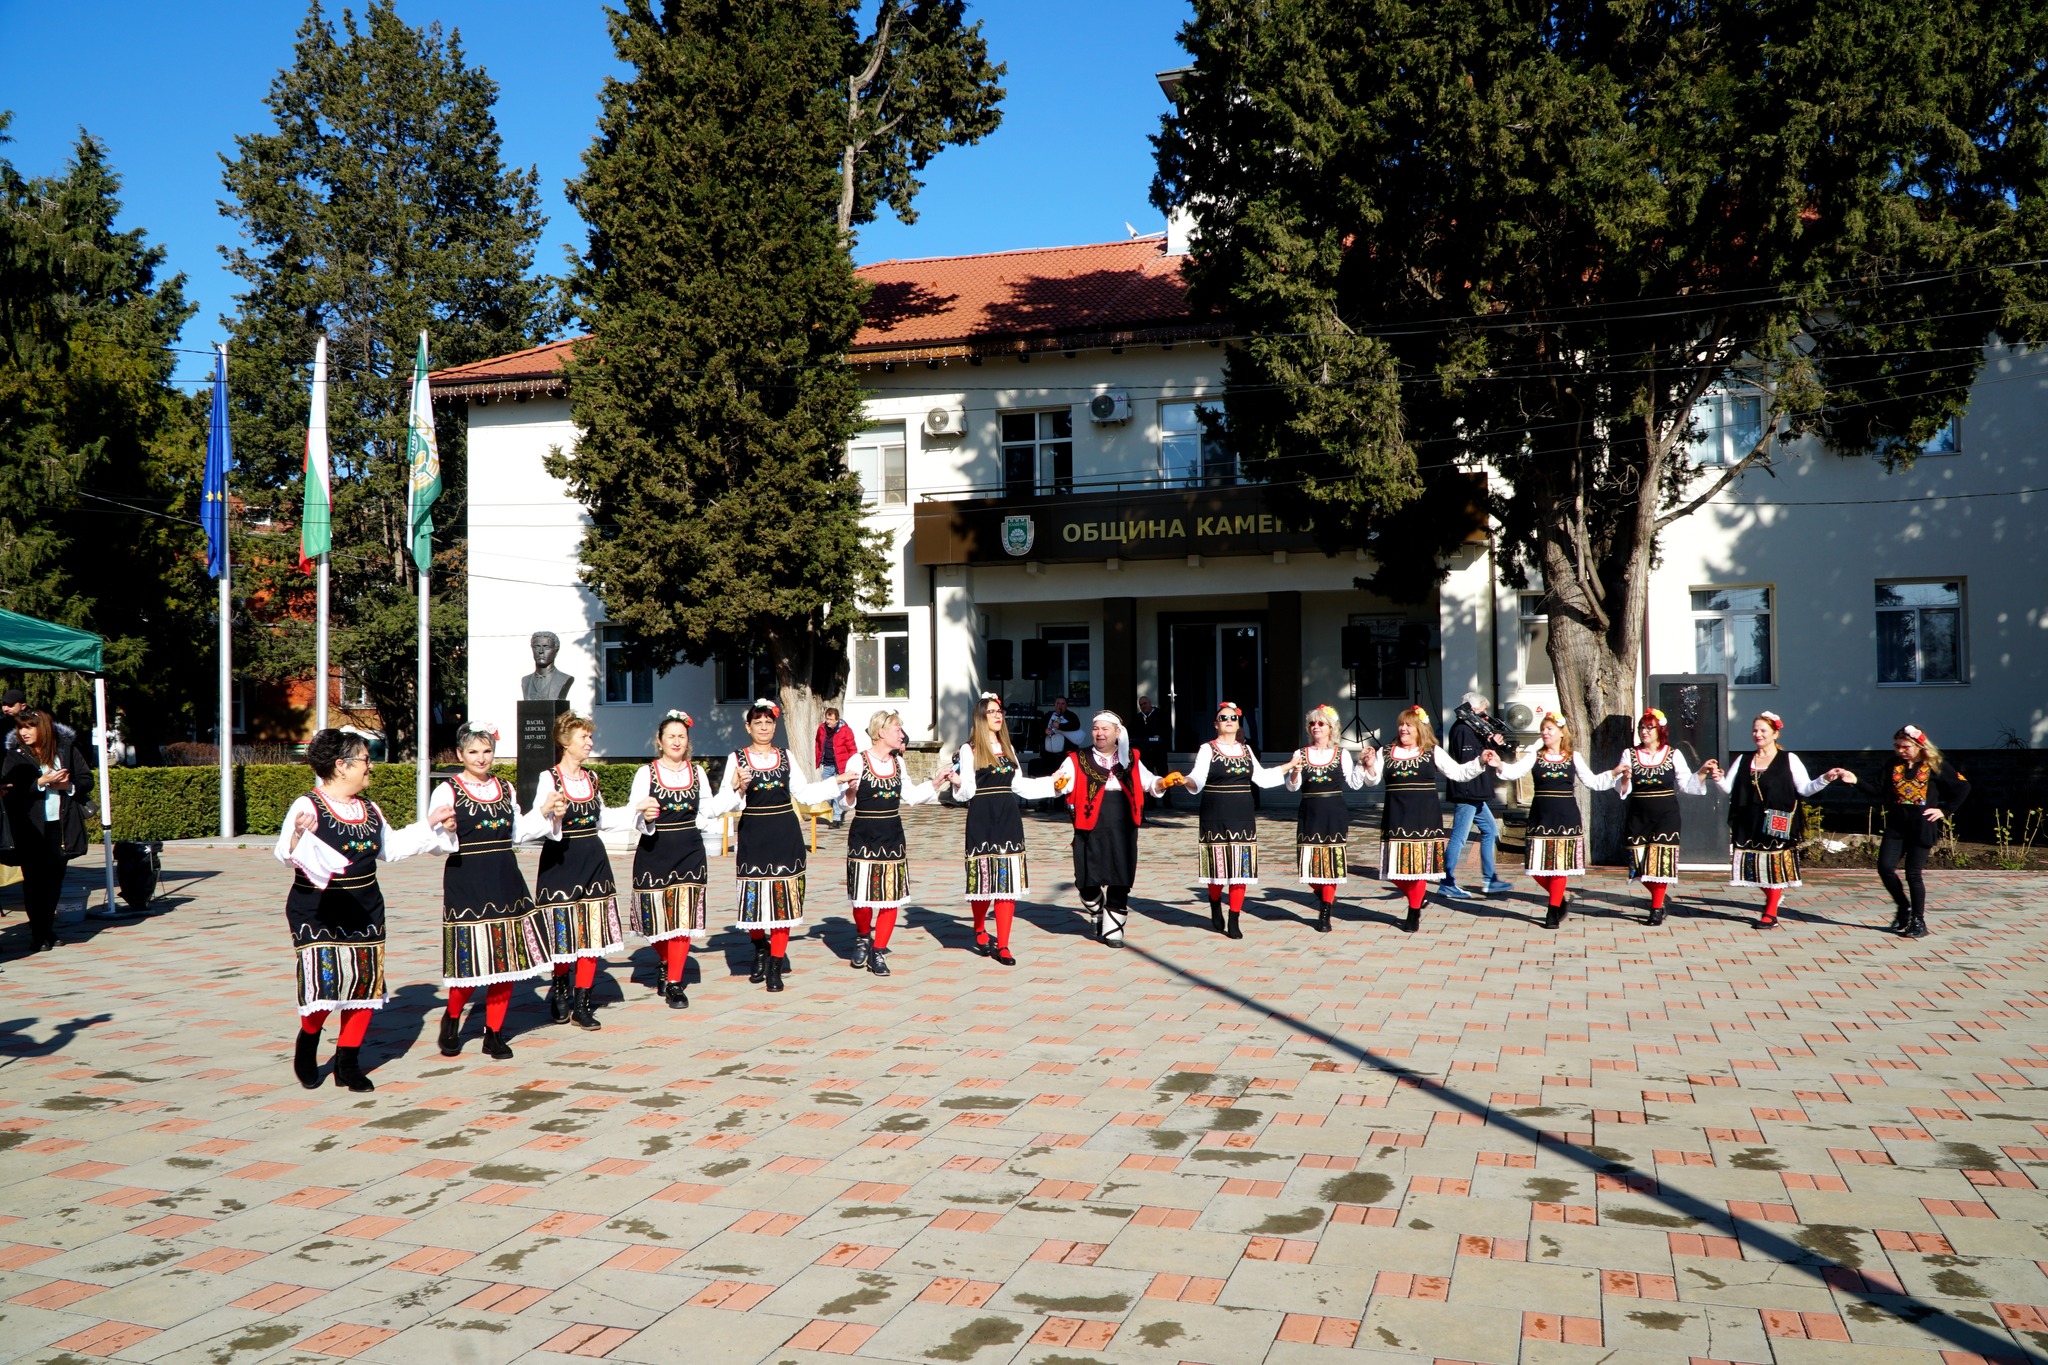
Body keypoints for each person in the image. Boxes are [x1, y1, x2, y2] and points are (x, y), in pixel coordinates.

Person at [273, 728, 448, 1091]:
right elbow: (284, 855)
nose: (371, 766)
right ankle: (308, 1039)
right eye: (366, 759)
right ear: (341, 765)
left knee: (364, 986)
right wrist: (297, 838)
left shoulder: (369, 809)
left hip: (365, 907)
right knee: (325, 986)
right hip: (318, 908)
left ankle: (348, 1062)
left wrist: (430, 825)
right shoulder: (308, 805)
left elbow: (393, 848)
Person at [424, 723, 558, 1059]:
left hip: (504, 876)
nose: (481, 758)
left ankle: (494, 1032)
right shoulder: (448, 790)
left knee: (507, 959)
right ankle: (453, 1016)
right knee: (469, 960)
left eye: (486, 751)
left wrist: (542, 813)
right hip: (467, 877)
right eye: (473, 752)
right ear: (459, 754)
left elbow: (516, 832)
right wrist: (447, 830)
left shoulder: (505, 787)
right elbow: (436, 844)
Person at [719, 700, 842, 992]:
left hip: (785, 832)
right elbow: (727, 800)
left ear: (775, 726)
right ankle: (760, 945)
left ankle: (775, 967)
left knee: (783, 902)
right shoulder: (736, 758)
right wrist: (739, 788)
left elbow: (804, 793)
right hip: (753, 834)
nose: (764, 727)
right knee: (752, 900)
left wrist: (836, 782)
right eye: (758, 723)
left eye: (769, 722)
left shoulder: (785, 756)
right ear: (748, 726)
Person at [529, 712, 639, 1029]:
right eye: (583, 737)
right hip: (561, 858)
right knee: (563, 932)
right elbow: (538, 820)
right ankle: (560, 988)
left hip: (593, 857)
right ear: (566, 742)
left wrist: (636, 810)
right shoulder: (549, 778)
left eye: (590, 737)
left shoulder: (591, 778)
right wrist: (551, 813)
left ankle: (583, 1003)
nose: (589, 742)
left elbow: (602, 818)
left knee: (592, 933)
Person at [1701, 712, 1854, 929]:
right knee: (1753, 868)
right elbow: (1728, 789)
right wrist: (1717, 778)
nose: (1758, 734)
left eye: (1763, 730)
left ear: (1775, 733)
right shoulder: (1744, 759)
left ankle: (1770, 912)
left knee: (1774, 868)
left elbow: (1805, 789)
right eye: (1755, 730)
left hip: (1778, 820)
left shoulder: (1788, 759)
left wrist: (1825, 779)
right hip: (1749, 819)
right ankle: (1774, 898)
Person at [1047, 711, 1183, 946]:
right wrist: (1059, 785)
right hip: (1089, 821)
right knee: (1086, 882)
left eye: (1105, 729)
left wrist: (1163, 782)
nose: (1099, 733)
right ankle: (1097, 910)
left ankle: (1114, 931)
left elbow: (1149, 782)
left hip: (1123, 821)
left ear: (1118, 733)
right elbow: (1061, 780)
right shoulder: (1076, 758)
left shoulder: (1130, 758)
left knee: (1120, 875)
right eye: (1096, 728)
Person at [626, 711, 732, 1008]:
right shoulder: (645, 773)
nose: (676, 741)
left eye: (681, 737)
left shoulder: (697, 773)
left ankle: (674, 981)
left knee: (682, 920)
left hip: (689, 851)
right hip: (654, 850)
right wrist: (644, 817)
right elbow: (634, 815)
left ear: (688, 742)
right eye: (671, 736)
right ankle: (664, 959)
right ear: (659, 741)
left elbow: (707, 809)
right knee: (654, 920)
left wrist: (735, 791)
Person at [1359, 705, 1492, 933]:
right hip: (1395, 816)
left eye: (1409, 724)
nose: (1403, 728)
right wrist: (1369, 766)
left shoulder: (1432, 751)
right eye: (1401, 724)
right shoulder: (1385, 752)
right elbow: (1371, 781)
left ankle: (1413, 912)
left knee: (1419, 869)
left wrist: (1480, 761)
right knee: (1394, 870)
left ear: (1420, 727)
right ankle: (1417, 899)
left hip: (1424, 817)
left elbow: (1458, 773)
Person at [838, 709, 952, 975]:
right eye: (897, 728)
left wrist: (935, 783)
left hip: (891, 834)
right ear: (881, 733)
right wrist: (851, 790)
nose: (902, 733)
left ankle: (879, 951)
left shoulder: (898, 763)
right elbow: (844, 803)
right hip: (863, 833)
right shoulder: (858, 760)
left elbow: (910, 796)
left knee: (890, 897)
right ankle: (863, 936)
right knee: (861, 897)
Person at [951, 693, 1061, 964]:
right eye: (992, 712)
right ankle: (979, 928)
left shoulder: (1008, 747)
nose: (998, 716)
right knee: (983, 882)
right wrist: (955, 782)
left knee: (1007, 883)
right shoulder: (970, 749)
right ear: (980, 717)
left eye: (1000, 711)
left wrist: (1052, 783)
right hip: (982, 816)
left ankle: (1003, 945)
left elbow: (1020, 786)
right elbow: (967, 792)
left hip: (1008, 816)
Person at [1839, 724, 1967, 939]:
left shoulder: (1934, 766)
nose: (1900, 750)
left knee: (1913, 874)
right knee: (1885, 868)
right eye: (1897, 746)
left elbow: (1963, 787)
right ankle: (1903, 907)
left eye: (1905, 746)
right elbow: (1878, 790)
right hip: (1897, 826)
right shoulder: (1893, 765)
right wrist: (1856, 781)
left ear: (1919, 745)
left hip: (1922, 827)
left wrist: (1945, 810)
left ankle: (1918, 920)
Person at [1492, 713, 1619, 928]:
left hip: (1566, 817)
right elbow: (1514, 772)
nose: (1545, 732)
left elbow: (1592, 781)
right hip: (1541, 816)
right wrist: (1499, 763)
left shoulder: (1573, 757)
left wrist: (1614, 773)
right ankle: (1558, 899)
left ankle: (1552, 911)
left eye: (1550, 728)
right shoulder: (1535, 755)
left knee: (1559, 867)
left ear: (1561, 732)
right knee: (1536, 867)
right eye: (1543, 729)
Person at [1181, 701, 1288, 937]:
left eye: (1232, 718)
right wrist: (1185, 781)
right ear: (1215, 724)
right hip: (1215, 812)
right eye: (1223, 718)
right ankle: (1215, 904)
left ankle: (1234, 918)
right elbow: (1197, 779)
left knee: (1241, 867)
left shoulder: (1247, 750)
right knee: (1217, 866)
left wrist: (1289, 766)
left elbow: (1262, 778)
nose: (1228, 721)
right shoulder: (1207, 749)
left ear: (1238, 724)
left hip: (1242, 813)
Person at [1611, 708, 1711, 925]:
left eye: (1649, 727)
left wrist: (1702, 772)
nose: (1644, 731)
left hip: (1666, 816)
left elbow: (1685, 785)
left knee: (1659, 864)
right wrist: (1625, 778)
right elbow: (1622, 789)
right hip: (1638, 815)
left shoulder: (1673, 754)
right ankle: (1660, 895)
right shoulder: (1629, 753)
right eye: (1641, 727)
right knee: (1638, 864)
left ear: (1660, 730)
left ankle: (1656, 908)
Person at [2, 709, 87, 953]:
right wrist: (39, 783)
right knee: (34, 882)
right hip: (29, 827)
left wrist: (66, 785)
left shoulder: (66, 749)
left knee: (54, 880)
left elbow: (85, 779)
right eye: (20, 727)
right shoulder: (15, 755)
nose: (23, 732)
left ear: (44, 728)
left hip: (60, 825)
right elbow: (8, 790)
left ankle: (46, 928)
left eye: (29, 727)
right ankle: (39, 933)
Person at [1282, 704, 1367, 933]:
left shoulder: (1342, 754)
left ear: (1331, 728)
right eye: (1312, 723)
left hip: (1334, 811)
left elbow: (1354, 783)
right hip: (1309, 810)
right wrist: (1296, 771)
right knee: (1308, 864)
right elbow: (1292, 787)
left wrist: (1363, 765)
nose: (1316, 727)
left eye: (1321, 723)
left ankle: (1325, 913)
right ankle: (1322, 893)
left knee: (1330, 864)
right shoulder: (1300, 753)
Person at [1440, 692, 1513, 900]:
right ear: (1472, 711)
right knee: (1459, 837)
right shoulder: (1462, 729)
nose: (1486, 717)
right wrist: (1489, 745)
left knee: (1490, 830)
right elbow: (1469, 760)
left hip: (1475, 791)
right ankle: (1447, 881)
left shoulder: (1470, 729)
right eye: (1482, 713)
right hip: (1467, 791)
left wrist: (1491, 742)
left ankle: (1490, 879)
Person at [815, 707, 857, 822]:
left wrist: (853, 765)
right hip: (827, 765)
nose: (828, 721)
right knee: (828, 791)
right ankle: (837, 811)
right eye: (827, 718)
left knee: (838, 791)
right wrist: (818, 758)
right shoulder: (822, 728)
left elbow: (852, 749)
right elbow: (818, 743)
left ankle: (836, 818)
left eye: (831, 719)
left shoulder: (845, 731)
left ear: (837, 720)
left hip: (840, 766)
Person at [1035, 697, 1083, 776]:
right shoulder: (1048, 715)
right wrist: (1045, 731)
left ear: (1066, 705)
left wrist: (1060, 726)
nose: (1060, 706)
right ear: (1055, 705)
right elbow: (1039, 727)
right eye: (1058, 703)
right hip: (1048, 754)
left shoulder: (1071, 716)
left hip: (1064, 754)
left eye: (1062, 704)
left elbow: (1075, 726)